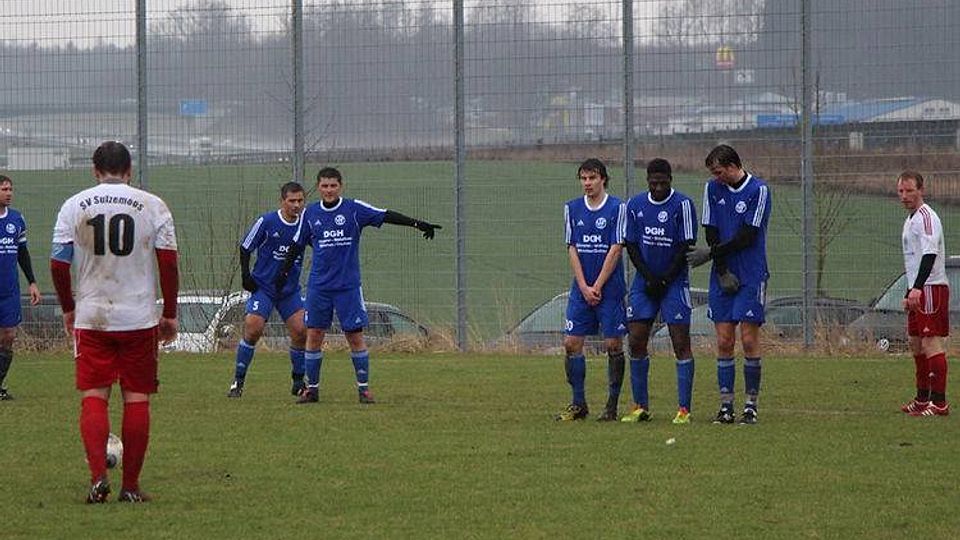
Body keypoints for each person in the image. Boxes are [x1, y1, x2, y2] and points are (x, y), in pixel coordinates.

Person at [50, 141, 179, 503]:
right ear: (129, 170)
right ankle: (131, 487)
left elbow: (59, 266)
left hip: (92, 317)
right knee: (136, 397)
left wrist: (68, 308)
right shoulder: (153, 205)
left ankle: (96, 479)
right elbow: (168, 262)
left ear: (95, 170)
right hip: (138, 317)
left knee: (95, 395)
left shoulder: (73, 205)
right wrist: (169, 312)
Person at [275, 167, 440, 405]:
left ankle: (364, 389)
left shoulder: (353, 209)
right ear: (318, 188)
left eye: (333, 186)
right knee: (314, 335)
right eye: (324, 186)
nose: (329, 190)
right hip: (319, 287)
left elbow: (385, 215)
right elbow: (295, 246)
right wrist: (283, 274)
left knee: (355, 337)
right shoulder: (310, 214)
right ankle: (312, 390)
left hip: (348, 287)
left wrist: (418, 224)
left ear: (340, 186)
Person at [687, 144, 771, 425]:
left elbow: (747, 236)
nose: (716, 177)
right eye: (713, 173)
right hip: (723, 275)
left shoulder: (758, 191)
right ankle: (726, 407)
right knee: (724, 340)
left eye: (720, 172)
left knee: (748, 339)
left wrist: (710, 255)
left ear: (733, 166)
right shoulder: (712, 189)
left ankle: (751, 405)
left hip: (751, 275)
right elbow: (710, 230)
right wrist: (721, 270)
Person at [621, 159, 697, 424]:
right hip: (645, 282)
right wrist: (648, 276)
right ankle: (640, 406)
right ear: (647, 181)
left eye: (663, 183)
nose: (658, 188)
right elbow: (630, 244)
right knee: (636, 339)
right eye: (654, 183)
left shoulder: (683, 205)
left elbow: (686, 244)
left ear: (671, 180)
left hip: (673, 282)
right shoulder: (635, 205)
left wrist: (665, 278)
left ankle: (684, 410)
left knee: (680, 343)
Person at [555, 158, 628, 422]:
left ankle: (611, 405)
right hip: (581, 289)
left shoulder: (618, 208)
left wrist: (597, 285)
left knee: (613, 344)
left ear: (603, 179)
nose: (587, 183)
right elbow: (571, 247)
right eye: (583, 179)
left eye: (592, 178)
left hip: (609, 289)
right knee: (571, 343)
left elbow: (616, 248)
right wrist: (584, 286)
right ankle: (578, 403)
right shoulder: (572, 209)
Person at [227, 182, 307, 398]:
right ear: (282, 201)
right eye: (292, 201)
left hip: (289, 290)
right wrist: (246, 275)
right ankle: (238, 381)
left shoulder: (306, 223)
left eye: (300, 200)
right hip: (264, 288)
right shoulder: (267, 221)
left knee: (301, 331)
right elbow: (245, 247)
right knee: (253, 328)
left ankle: (298, 382)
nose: (296, 205)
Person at [896, 171, 950, 416]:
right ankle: (921, 399)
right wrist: (909, 291)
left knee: (931, 343)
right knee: (916, 344)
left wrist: (917, 287)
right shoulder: (910, 220)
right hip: (917, 289)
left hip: (931, 287)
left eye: (909, 190)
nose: (904, 196)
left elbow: (929, 255)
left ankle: (939, 403)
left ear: (921, 190)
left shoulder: (928, 217)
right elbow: (914, 260)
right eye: (901, 191)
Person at [0, 174, 41, 400]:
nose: (9, 193)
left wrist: (32, 282)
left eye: (10, 189)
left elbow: (22, 253)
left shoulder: (17, 219)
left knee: (8, 336)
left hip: (9, 291)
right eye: (4, 189)